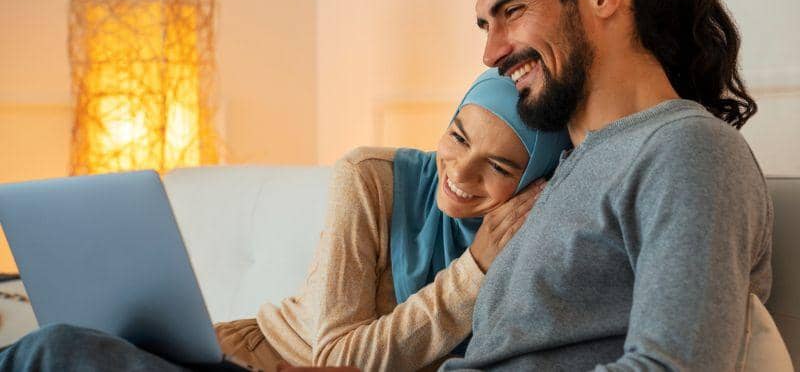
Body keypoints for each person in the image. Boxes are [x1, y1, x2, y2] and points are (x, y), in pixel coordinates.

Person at [0, 70, 571, 372]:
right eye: (458, 137)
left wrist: (480, 266)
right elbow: (336, 358)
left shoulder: (524, 240)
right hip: (242, 354)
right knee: (52, 349)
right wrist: (471, 272)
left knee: (56, 352)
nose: (461, 173)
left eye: (499, 166)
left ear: (531, 182)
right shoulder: (371, 178)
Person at [439, 0, 772, 371]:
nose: (491, 54)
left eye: (513, 10)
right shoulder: (570, 166)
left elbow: (675, 366)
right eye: (487, 26)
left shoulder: (688, 149)